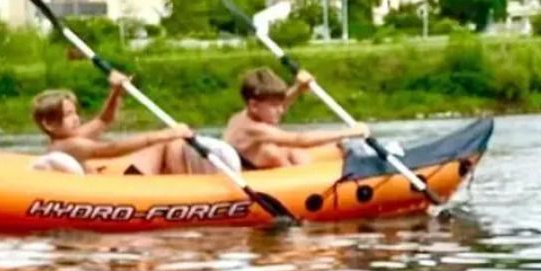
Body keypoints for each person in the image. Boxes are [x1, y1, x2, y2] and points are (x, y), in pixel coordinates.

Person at [30, 70, 227, 175]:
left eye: (75, 113)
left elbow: (104, 120)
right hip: (112, 194)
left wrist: (116, 91)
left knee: (169, 141)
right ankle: (182, 189)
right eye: (68, 115)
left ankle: (179, 182)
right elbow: (113, 148)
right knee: (170, 142)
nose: (76, 119)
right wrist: (166, 134)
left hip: (118, 182)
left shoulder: (69, 138)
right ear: (49, 124)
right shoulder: (72, 144)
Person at [223, 67, 370, 169]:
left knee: (288, 151)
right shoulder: (252, 129)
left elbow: (275, 105)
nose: (281, 110)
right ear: (253, 105)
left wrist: (299, 88)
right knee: (275, 152)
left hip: (250, 163)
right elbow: (300, 140)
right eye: (275, 106)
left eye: (280, 104)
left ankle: (308, 172)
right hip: (249, 173)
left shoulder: (251, 113)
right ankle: (306, 180)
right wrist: (349, 132)